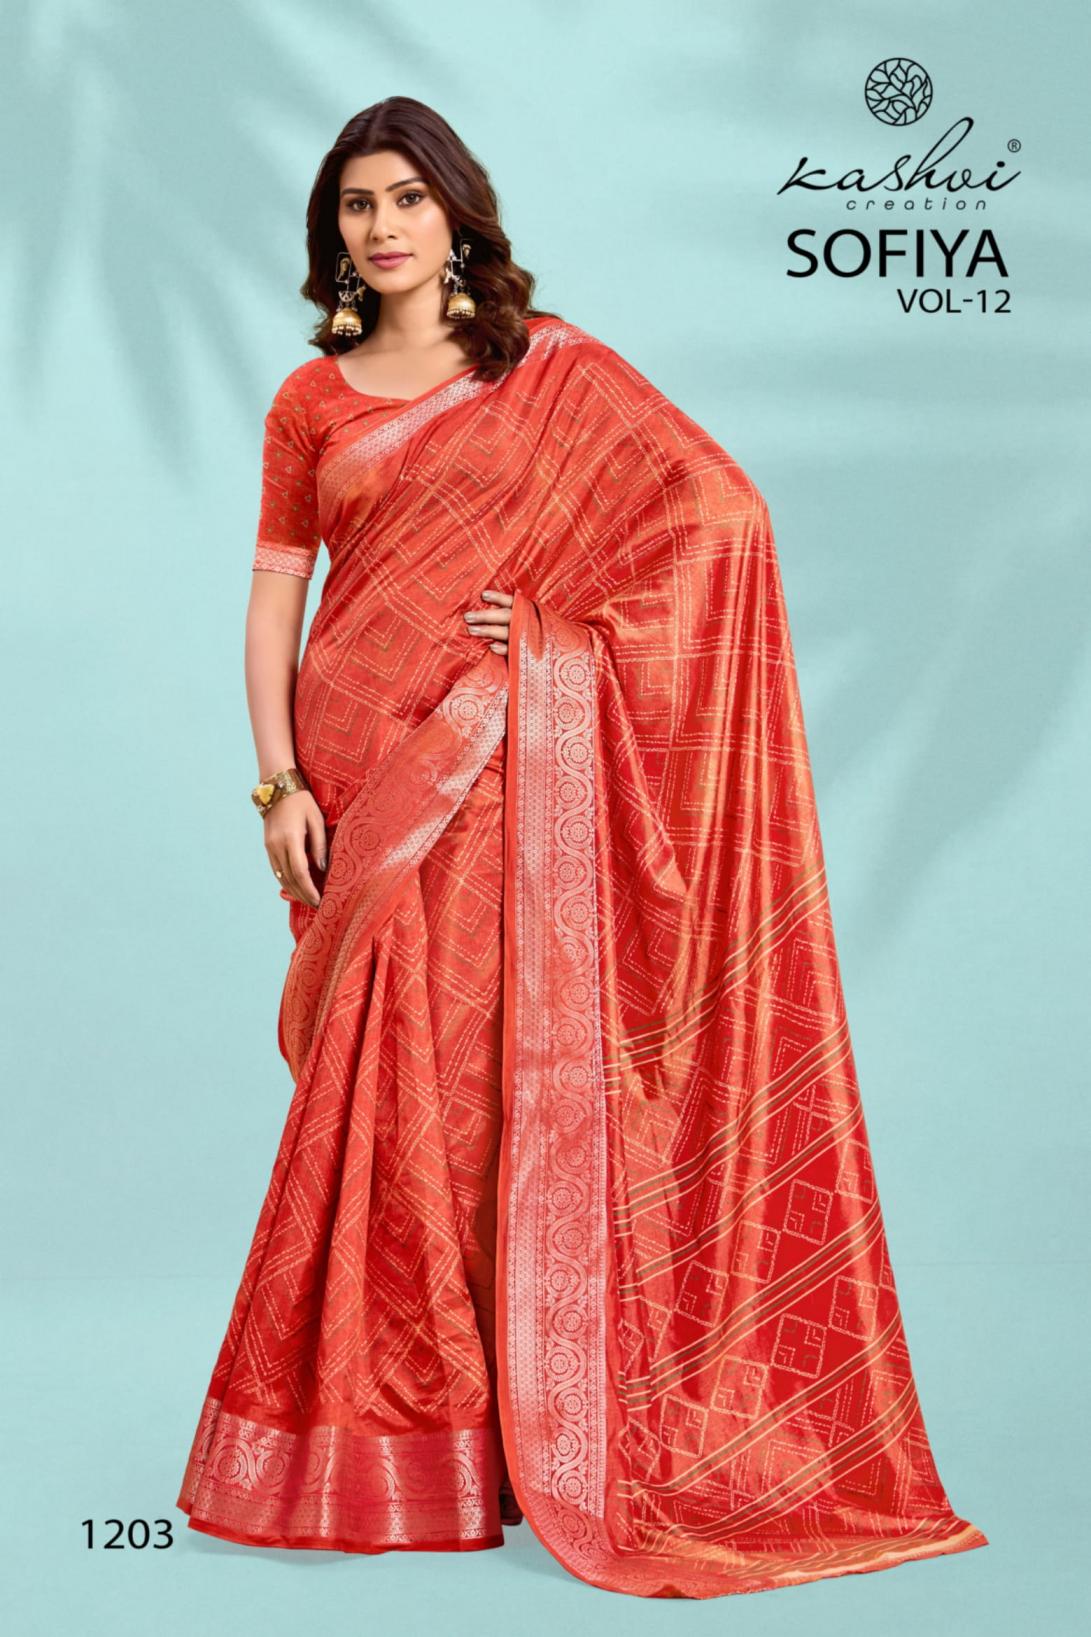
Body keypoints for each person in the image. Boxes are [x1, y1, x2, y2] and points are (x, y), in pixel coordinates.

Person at [176, 96, 987, 1599]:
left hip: (491, 758)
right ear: (333, 230)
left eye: (408, 199)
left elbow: (718, 517)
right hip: (354, 766)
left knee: (466, 1080)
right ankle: (405, 1436)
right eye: (357, 204)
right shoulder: (311, 399)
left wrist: (555, 638)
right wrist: (276, 780)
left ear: (456, 213)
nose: (383, 227)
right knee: (378, 1083)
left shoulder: (545, 367)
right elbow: (275, 591)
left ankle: (495, 1434)